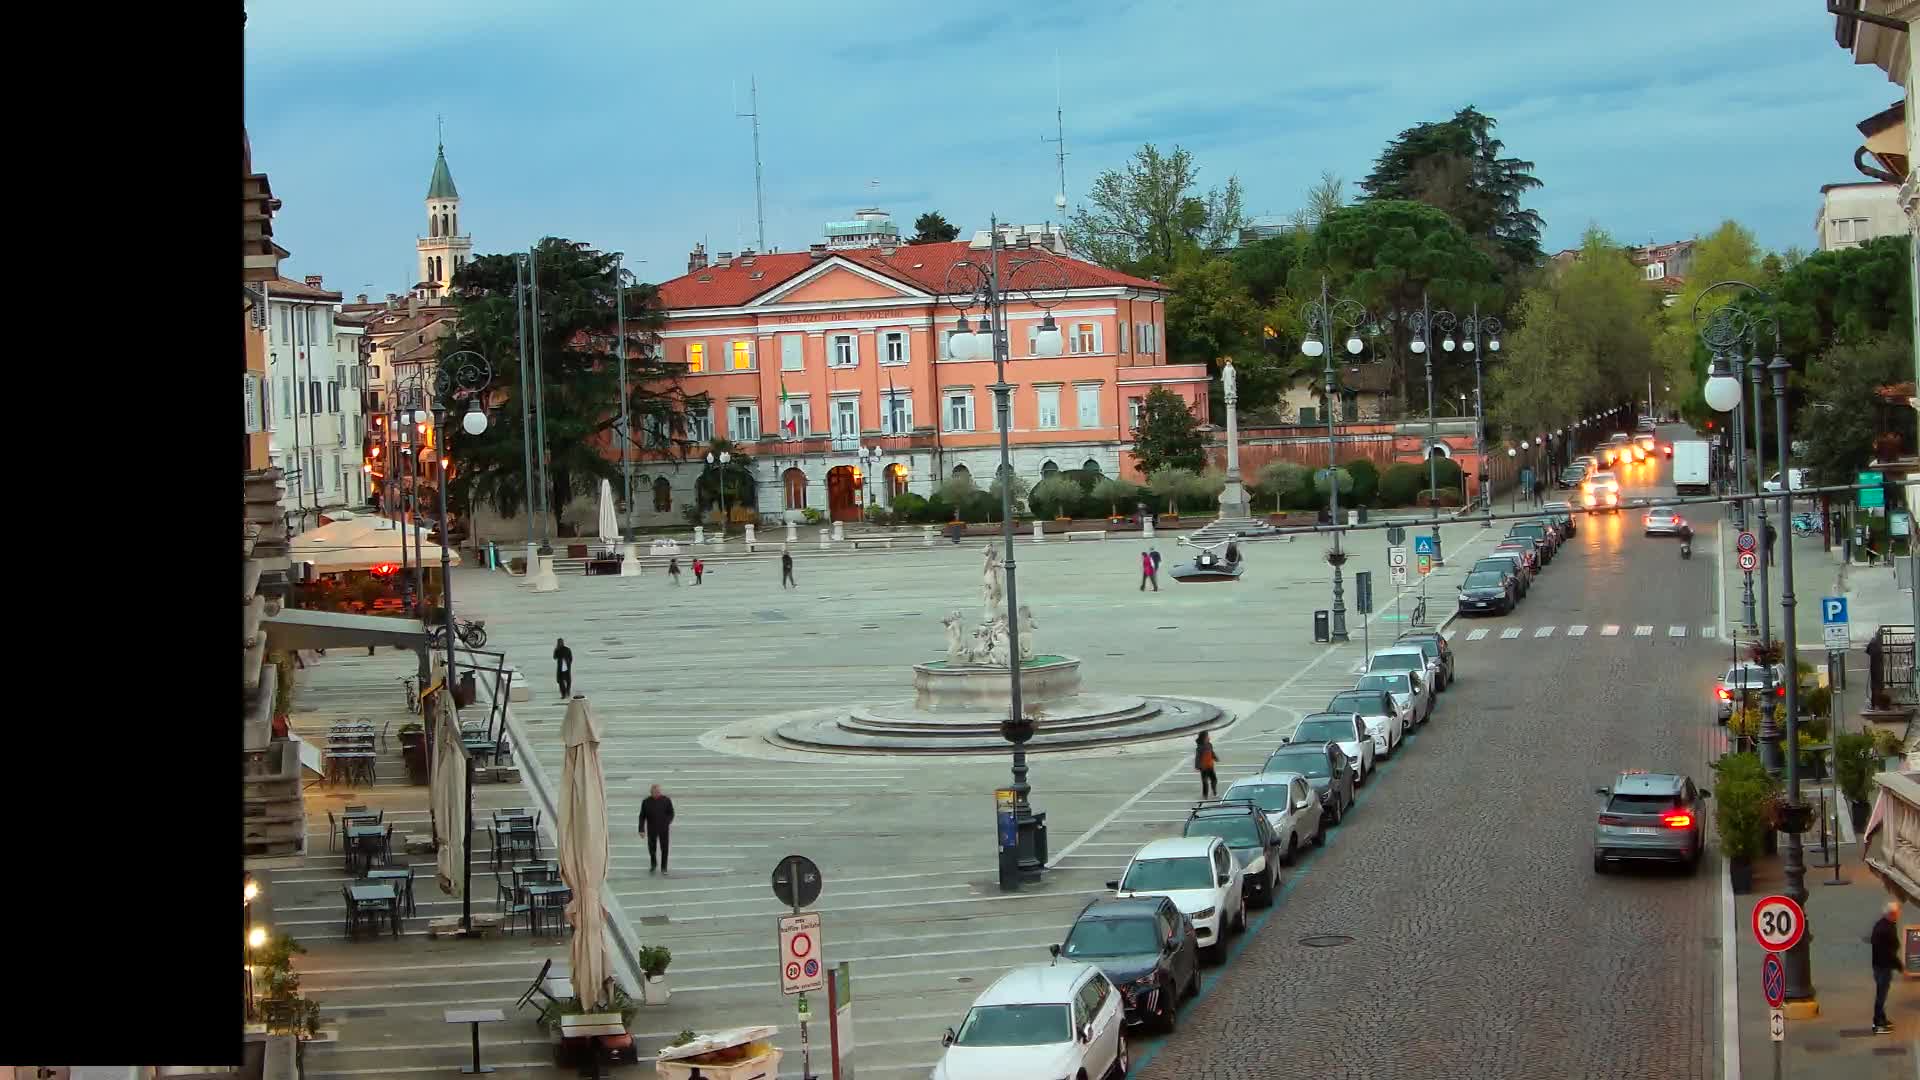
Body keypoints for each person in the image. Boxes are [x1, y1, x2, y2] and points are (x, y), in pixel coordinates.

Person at [1869, 899, 1900, 1033]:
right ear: (1891, 914)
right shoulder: (1886, 929)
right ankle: (1878, 1023)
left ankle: (1882, 1018)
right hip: (1884, 966)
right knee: (1881, 995)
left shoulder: (1882, 924)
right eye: (1897, 913)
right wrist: (1901, 967)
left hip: (1878, 965)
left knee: (1881, 993)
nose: (1899, 915)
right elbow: (1889, 953)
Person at [639, 783, 675, 874]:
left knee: (664, 848)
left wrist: (667, 822)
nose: (657, 793)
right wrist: (641, 829)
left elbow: (671, 813)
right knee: (652, 848)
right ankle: (653, 864)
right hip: (651, 828)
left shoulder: (666, 800)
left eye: (658, 792)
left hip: (663, 829)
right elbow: (642, 816)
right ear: (651, 792)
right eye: (654, 792)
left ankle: (664, 868)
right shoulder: (646, 802)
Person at [1195, 733, 1219, 798]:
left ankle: (1214, 792)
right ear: (1203, 738)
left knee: (1214, 780)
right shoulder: (1200, 747)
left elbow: (1212, 752)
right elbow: (1197, 757)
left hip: (1210, 766)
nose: (1208, 738)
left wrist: (1215, 758)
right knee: (1205, 782)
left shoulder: (1209, 745)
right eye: (1207, 736)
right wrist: (1197, 766)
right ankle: (1205, 795)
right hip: (1204, 768)